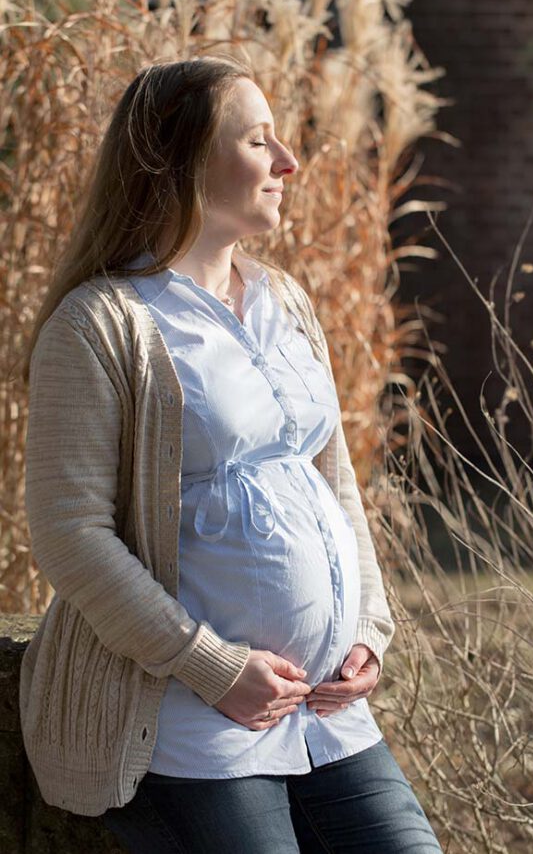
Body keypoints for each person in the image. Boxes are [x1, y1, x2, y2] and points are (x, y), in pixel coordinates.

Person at [19, 56, 443, 852]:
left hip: (326, 713)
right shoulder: (99, 325)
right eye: (258, 141)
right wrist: (211, 666)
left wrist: (368, 631)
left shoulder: (283, 299)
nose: (288, 162)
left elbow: (332, 480)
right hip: (188, 724)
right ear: (184, 166)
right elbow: (69, 535)